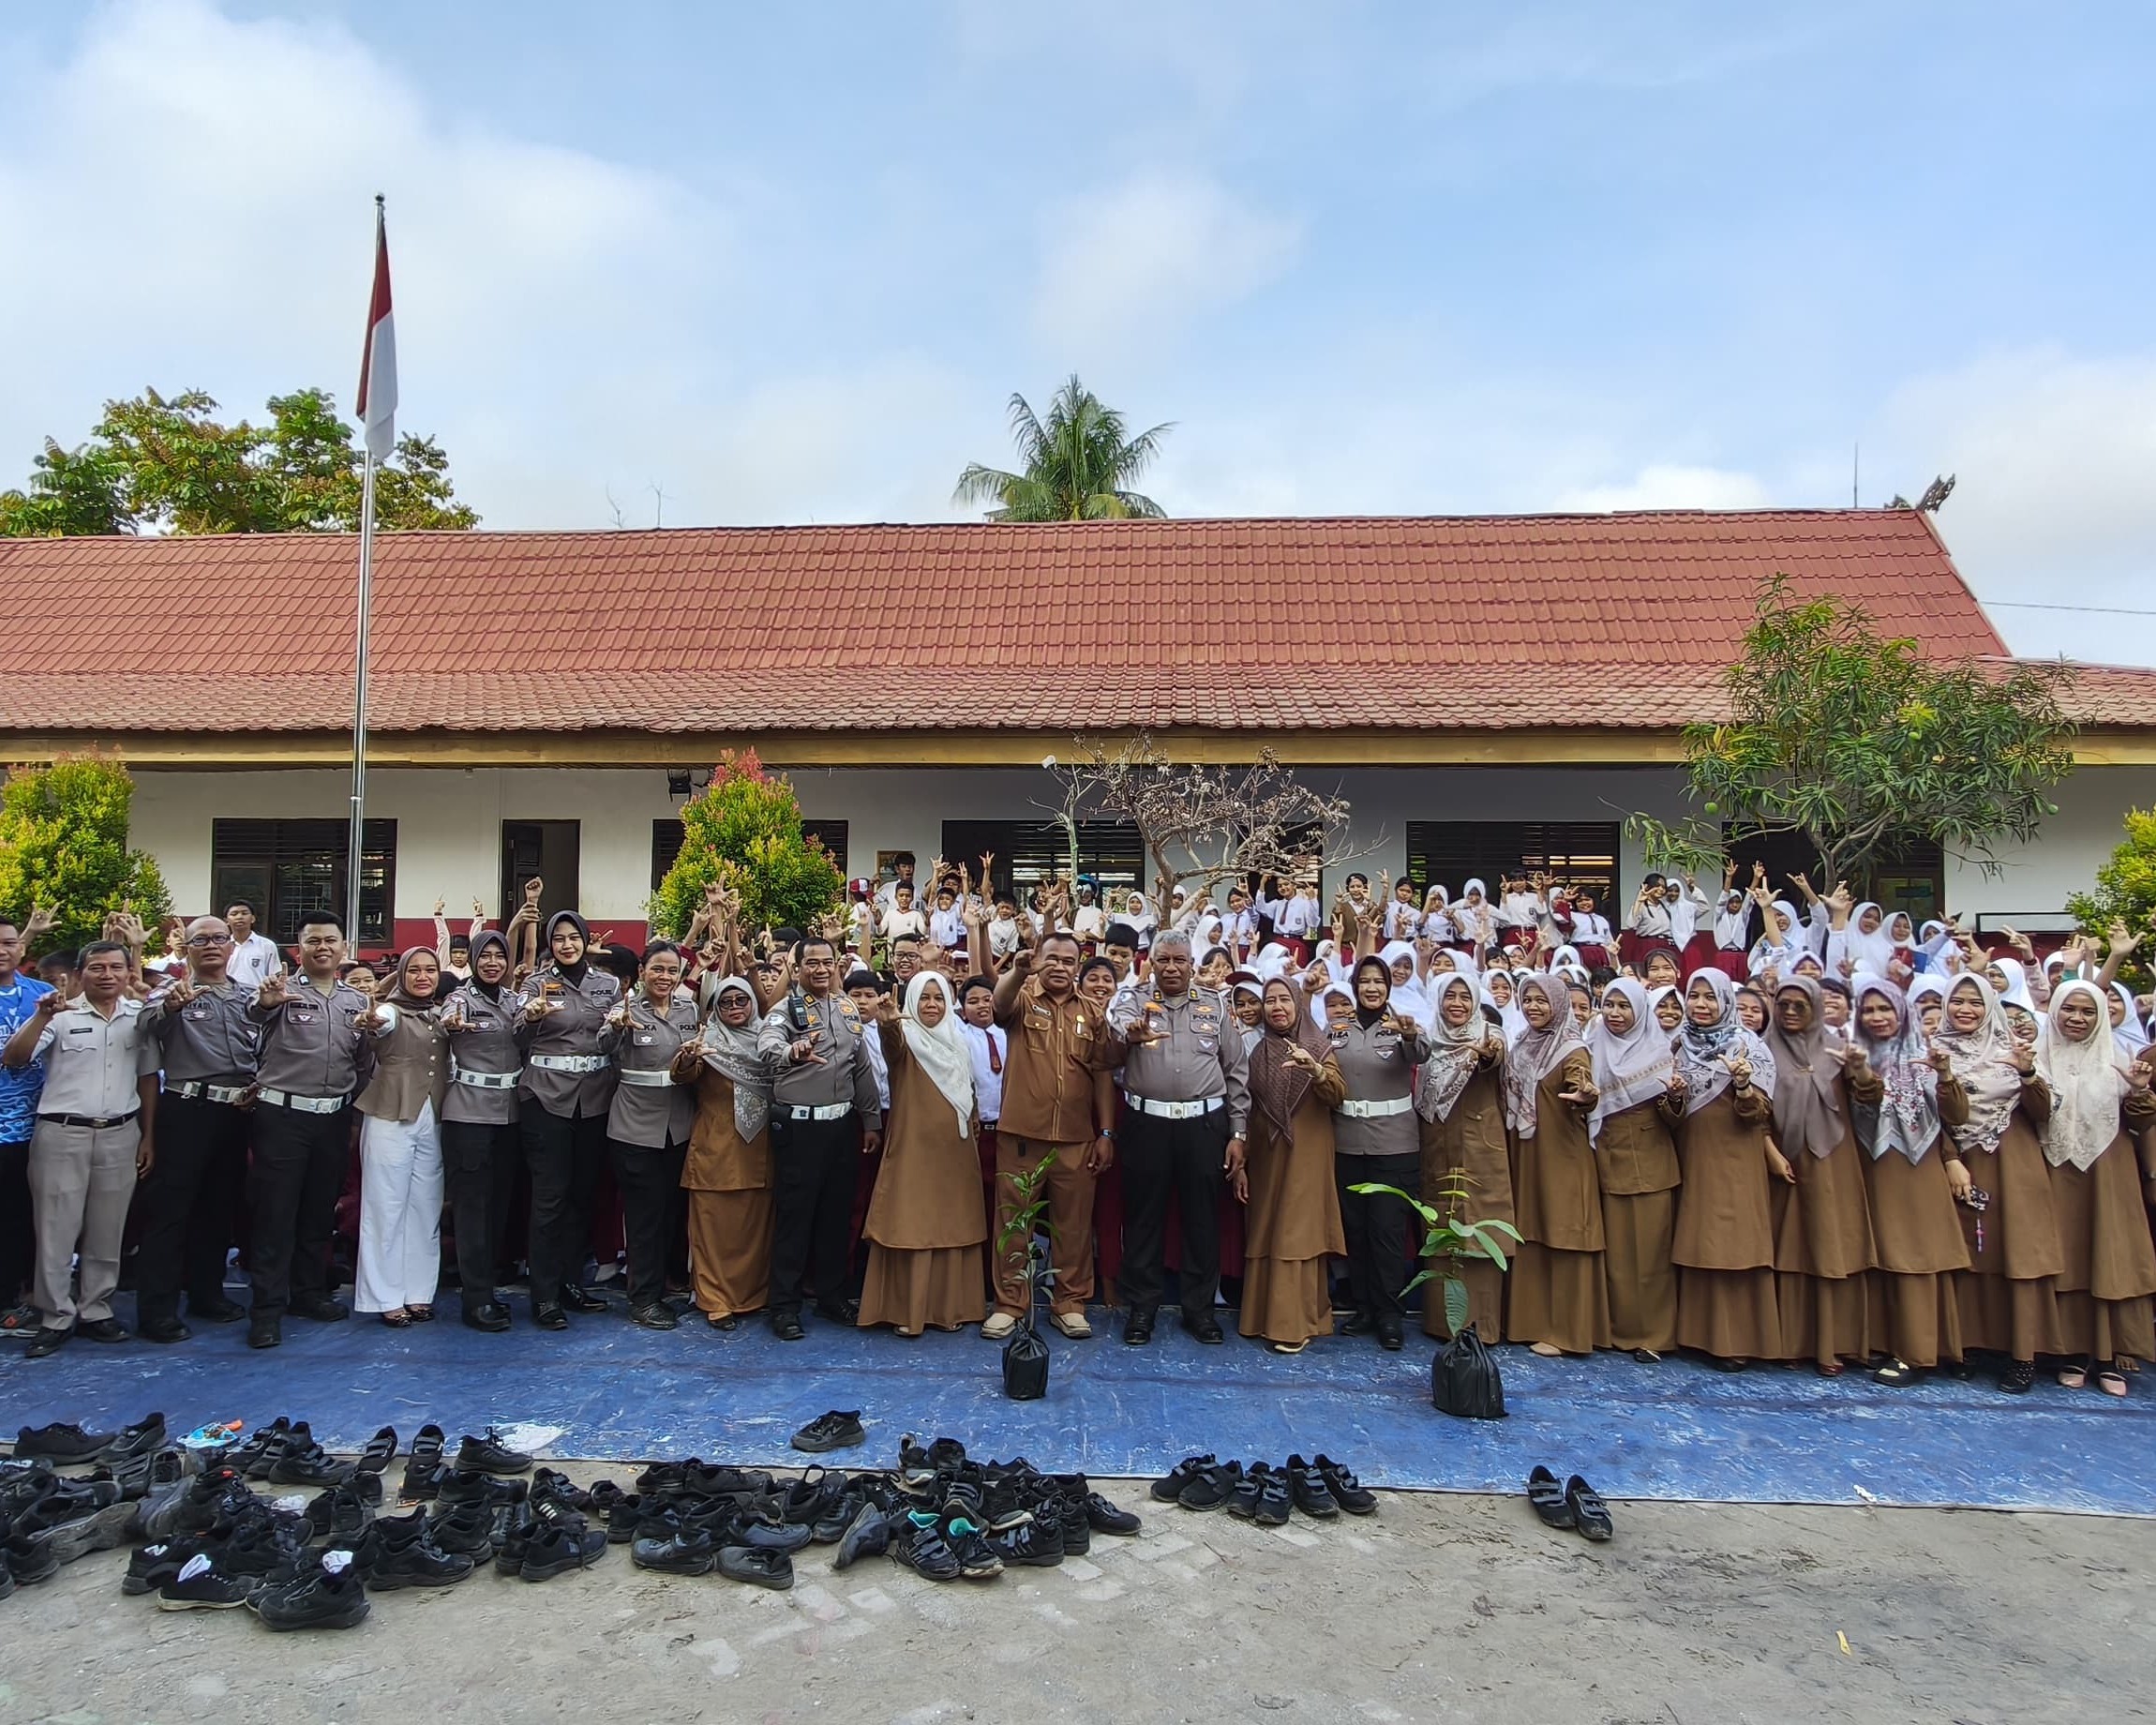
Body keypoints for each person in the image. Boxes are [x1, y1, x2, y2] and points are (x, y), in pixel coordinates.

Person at [4, 940, 160, 1358]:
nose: (107, 975)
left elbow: (148, 1078)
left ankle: (97, 1310)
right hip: (62, 1133)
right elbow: (15, 1058)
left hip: (120, 1132)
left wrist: (148, 1136)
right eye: (97, 968)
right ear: (80, 974)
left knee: (107, 1229)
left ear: (129, 973)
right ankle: (55, 1315)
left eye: (116, 967)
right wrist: (41, 1017)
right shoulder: (59, 1014)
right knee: (56, 1229)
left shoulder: (138, 1018)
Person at [1106, 930, 1250, 1346]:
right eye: (1163, 960)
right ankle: (1142, 1310)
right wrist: (1129, 1033)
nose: (1171, 968)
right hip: (1146, 1124)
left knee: (1202, 1220)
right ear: (1150, 962)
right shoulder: (1132, 1000)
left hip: (1204, 1126)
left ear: (1192, 965)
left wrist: (1238, 1132)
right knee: (1142, 1220)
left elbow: (1236, 1071)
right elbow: (1116, 1031)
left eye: (1179, 961)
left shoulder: (1216, 1005)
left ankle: (1199, 1311)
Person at [244, 911, 370, 1350]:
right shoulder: (281, 993)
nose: (323, 948)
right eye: (313, 941)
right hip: (284, 1117)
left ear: (344, 948)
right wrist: (266, 1003)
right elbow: (253, 1019)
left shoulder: (356, 1001)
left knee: (319, 1212)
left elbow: (364, 1061)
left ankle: (308, 1293)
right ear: (299, 950)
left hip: (333, 1117)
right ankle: (266, 1310)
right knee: (276, 1214)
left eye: (331, 940)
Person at [1935, 973, 2062, 1392]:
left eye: (1975, 1002)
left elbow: (2043, 1112)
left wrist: (2027, 1075)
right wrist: (1951, 1159)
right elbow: (1934, 1118)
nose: (1965, 1010)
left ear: (1990, 1005)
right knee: (1969, 1252)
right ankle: (1968, 1346)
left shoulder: (2016, 1050)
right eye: (1958, 1001)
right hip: (1962, 1164)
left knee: (2017, 1254)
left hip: (2015, 1163)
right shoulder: (1934, 1051)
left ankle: (2022, 1356)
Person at [988, 928, 1115, 1341]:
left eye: (1068, 961)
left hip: (1077, 1139)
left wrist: (1106, 1131)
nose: (1059, 967)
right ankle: (1010, 1303)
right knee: (1014, 1221)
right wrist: (1016, 972)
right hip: (1023, 1134)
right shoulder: (1023, 998)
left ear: (1078, 966)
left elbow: (1101, 1074)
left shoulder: (1092, 1012)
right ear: (1039, 960)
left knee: (1074, 1225)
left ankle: (1070, 1303)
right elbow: (997, 1006)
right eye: (1052, 959)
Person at [1844, 977, 1971, 1385]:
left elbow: (1957, 1117)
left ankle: (1919, 1352)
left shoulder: (1928, 1053)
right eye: (1869, 1010)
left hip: (1919, 1169)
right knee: (1883, 1257)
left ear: (1902, 1010)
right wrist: (1862, 1071)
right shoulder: (1853, 1054)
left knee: (1918, 1257)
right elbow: (1863, 1100)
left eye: (1885, 1009)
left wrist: (1946, 1075)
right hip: (1873, 1168)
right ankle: (1886, 1345)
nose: (1877, 1017)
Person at [133, 916, 256, 1342]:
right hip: (187, 1110)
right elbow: (146, 1021)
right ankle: (158, 1311)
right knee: (170, 1213)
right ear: (185, 948)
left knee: (219, 1210)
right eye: (199, 940)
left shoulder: (249, 997)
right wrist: (170, 1006)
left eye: (218, 939)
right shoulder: (173, 991)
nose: (211, 946)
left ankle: (208, 1293)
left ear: (231, 946)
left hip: (237, 1112)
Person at [756, 934, 882, 1341]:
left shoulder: (846, 1008)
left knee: (835, 1215)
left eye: (827, 962)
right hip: (799, 1128)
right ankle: (785, 1306)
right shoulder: (784, 1011)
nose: (821, 969)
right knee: (796, 1218)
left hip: (841, 1127)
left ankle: (831, 1295)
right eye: (812, 963)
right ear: (797, 968)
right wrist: (792, 1052)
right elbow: (767, 1044)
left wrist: (871, 1120)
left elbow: (860, 1067)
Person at [2036, 979, 2156, 1394]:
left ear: (2101, 1016)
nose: (2077, 1018)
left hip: (2108, 1169)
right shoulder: (2037, 1054)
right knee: (2068, 1255)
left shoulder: (2120, 1056)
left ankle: (2108, 1357)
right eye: (2069, 1009)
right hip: (2055, 1167)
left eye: (2088, 1011)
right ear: (2055, 1011)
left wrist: (2139, 1091)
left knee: (2107, 1255)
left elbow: (2141, 1123)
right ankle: (2071, 1351)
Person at [1669, 969, 1788, 1371]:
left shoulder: (1750, 1048)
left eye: (1710, 997)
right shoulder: (1676, 1046)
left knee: (1734, 1246)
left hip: (1735, 1158)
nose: (1701, 1005)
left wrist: (1741, 1085)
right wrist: (1672, 1098)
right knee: (1698, 1241)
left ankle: (1737, 1340)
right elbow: (1669, 1114)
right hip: (1691, 1155)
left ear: (1726, 1003)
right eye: (1694, 996)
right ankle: (1697, 1335)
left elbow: (1759, 1114)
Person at [860, 973, 988, 1335]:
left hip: (956, 1153)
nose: (931, 1005)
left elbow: (968, 1094)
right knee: (913, 1226)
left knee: (953, 1225)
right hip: (914, 1154)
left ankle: (950, 1310)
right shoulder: (907, 1041)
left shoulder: (957, 1043)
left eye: (939, 998)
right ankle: (909, 1313)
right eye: (924, 998)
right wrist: (887, 1025)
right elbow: (893, 1046)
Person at [1763, 976, 1879, 1376]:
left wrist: (1861, 1070)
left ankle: (1835, 1342)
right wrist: (1772, 1153)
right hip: (1785, 1165)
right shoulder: (1764, 1050)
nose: (1791, 1013)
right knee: (1791, 1251)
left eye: (1800, 1006)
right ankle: (1792, 1341)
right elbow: (1756, 1114)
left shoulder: (1836, 1049)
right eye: (1784, 1005)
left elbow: (1869, 1097)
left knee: (1832, 1248)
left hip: (1834, 1164)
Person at [515, 910, 621, 1331]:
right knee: (549, 1198)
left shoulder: (608, 985)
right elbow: (517, 1036)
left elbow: (612, 1039)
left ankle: (570, 1283)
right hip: (546, 1098)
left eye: (573, 937)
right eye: (557, 939)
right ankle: (543, 1295)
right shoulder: (534, 984)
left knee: (582, 1196)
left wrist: (619, 1025)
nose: (566, 945)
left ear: (584, 940)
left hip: (593, 1099)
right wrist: (532, 1016)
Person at [1239, 978, 1347, 1354]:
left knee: (1296, 1232)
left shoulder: (1319, 1045)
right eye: (1270, 1001)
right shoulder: (1257, 1052)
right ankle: (1259, 1317)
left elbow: (1337, 1094)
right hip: (1268, 1154)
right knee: (1268, 1227)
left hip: (1307, 1152)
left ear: (1299, 1005)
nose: (1277, 1007)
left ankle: (1293, 1324)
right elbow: (1248, 1109)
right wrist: (1242, 1162)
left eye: (1285, 999)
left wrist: (1315, 1069)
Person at [1328, 954, 1430, 1351]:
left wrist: (1407, 1034)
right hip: (1347, 1142)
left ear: (1389, 987)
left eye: (1379, 982)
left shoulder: (1402, 1025)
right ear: (1354, 986)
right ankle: (1364, 1308)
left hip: (1393, 1145)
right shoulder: (1337, 1027)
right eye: (1365, 981)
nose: (1372, 988)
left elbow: (1422, 1051)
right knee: (1356, 1231)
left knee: (1386, 1232)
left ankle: (1390, 1315)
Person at [1504, 972, 1607, 1358]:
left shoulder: (1571, 1049)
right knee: (1531, 1232)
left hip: (1561, 1157)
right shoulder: (1523, 1044)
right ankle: (1529, 1322)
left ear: (1558, 1005)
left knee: (1563, 1234)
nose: (1533, 1006)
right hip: (1527, 1153)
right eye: (1527, 999)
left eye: (1541, 1000)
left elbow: (1583, 1085)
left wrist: (1586, 1096)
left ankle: (1567, 1332)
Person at [600, 942, 699, 1330]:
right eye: (657, 969)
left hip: (678, 1126)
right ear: (642, 972)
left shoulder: (689, 1010)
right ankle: (642, 1298)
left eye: (672, 971)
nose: (664, 977)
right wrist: (615, 1026)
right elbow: (603, 1044)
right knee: (643, 1217)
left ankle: (660, 1286)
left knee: (669, 1213)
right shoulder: (625, 1009)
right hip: (635, 1127)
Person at [352, 948, 450, 1326]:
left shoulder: (442, 1014)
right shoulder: (392, 1010)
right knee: (385, 1208)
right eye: (414, 970)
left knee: (425, 1207)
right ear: (402, 975)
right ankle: (384, 1296)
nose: (422, 977)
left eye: (430, 970)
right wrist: (372, 1019)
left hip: (433, 1115)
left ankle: (418, 1292)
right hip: (391, 1115)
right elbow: (379, 1022)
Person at [673, 975, 776, 1328]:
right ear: (715, 1008)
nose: (735, 1008)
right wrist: (687, 1057)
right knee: (713, 1231)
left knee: (754, 1231)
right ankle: (714, 1298)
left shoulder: (767, 1040)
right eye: (726, 1002)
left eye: (741, 1001)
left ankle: (751, 1296)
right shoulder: (708, 1041)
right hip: (716, 1151)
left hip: (761, 1151)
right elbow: (684, 1075)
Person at [1587, 979, 1682, 1360]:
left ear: (1640, 1010)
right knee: (1618, 1258)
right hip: (1606, 1161)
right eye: (1609, 1005)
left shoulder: (1662, 1052)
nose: (1615, 1013)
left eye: (1624, 1006)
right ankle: (1615, 1330)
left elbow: (1677, 1119)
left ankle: (1654, 1337)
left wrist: (1674, 1097)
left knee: (1651, 1258)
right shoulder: (1592, 1048)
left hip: (1650, 1164)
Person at [1415, 973, 1512, 1342]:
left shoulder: (1490, 1034)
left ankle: (1482, 1326)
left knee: (1481, 1230)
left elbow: (1494, 1054)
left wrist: (1486, 1053)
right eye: (1449, 996)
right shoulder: (1431, 1041)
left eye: (1464, 997)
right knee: (1442, 1227)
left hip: (1479, 1150)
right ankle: (1442, 1323)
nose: (1456, 1003)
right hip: (1438, 1148)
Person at [437, 928, 521, 1331]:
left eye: (498, 956)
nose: (492, 962)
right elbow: (447, 1019)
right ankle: (475, 1301)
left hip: (507, 1116)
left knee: (498, 1207)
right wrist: (450, 1022)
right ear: (471, 959)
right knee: (471, 1209)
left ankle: (488, 1288)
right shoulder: (460, 998)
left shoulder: (513, 1000)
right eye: (484, 955)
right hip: (468, 1115)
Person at [0, 912, 56, 1331]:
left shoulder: (44, 994)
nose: (2, 951)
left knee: (23, 1218)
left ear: (21, 948)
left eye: (9, 943)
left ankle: (16, 1295)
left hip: (34, 1129)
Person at [223, 899, 283, 989]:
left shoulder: (267, 945)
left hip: (257, 997)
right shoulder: (222, 945)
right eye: (234, 914)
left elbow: (274, 975)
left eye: (244, 913)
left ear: (253, 919)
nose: (239, 917)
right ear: (226, 920)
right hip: (227, 997)